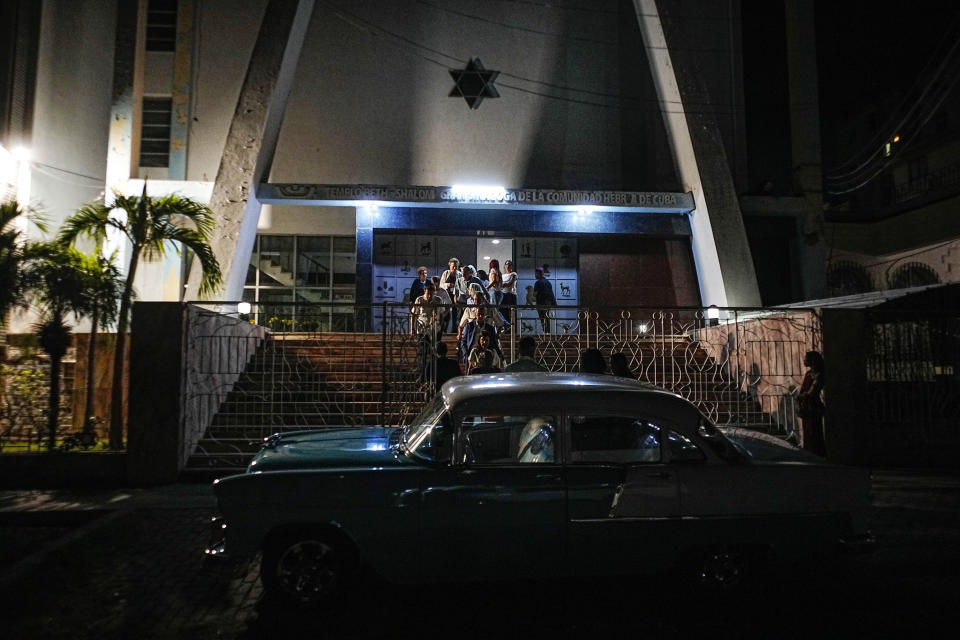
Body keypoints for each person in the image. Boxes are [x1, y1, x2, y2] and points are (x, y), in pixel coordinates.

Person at [797, 350, 826, 456]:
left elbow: (812, 391)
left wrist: (803, 396)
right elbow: (803, 390)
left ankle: (817, 454)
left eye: (806, 358)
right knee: (807, 433)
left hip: (813, 407)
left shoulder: (819, 374)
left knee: (814, 432)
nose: (804, 360)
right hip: (806, 407)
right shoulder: (809, 374)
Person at [440, 258, 463, 331]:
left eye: (456, 266)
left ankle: (454, 329)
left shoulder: (459, 274)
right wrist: (447, 284)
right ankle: (444, 330)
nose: (455, 268)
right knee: (447, 314)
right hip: (447, 295)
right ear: (450, 266)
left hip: (456, 296)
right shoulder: (446, 273)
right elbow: (441, 284)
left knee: (455, 313)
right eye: (453, 266)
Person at [533, 267, 556, 333]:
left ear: (538, 273)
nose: (535, 275)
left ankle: (545, 333)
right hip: (548, 303)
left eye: (536, 274)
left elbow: (535, 294)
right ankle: (548, 333)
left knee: (542, 318)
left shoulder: (537, 283)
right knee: (547, 318)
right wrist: (554, 303)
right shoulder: (548, 282)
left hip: (540, 303)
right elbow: (551, 294)